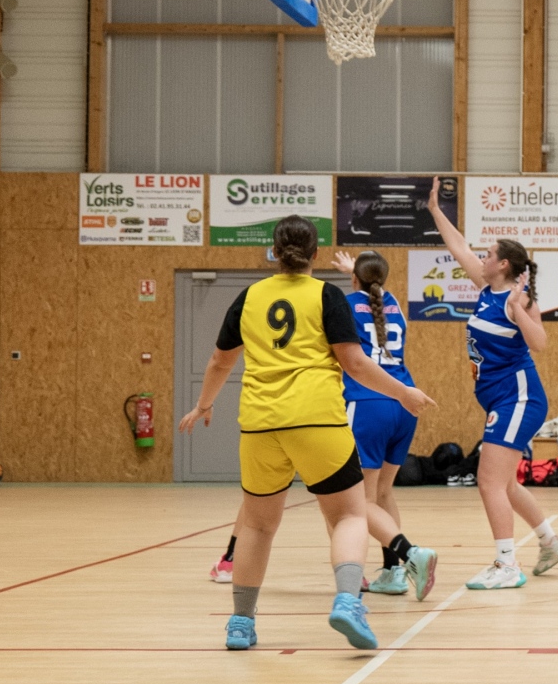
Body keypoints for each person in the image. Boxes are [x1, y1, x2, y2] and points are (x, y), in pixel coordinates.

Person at [179, 216, 433, 651]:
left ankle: (240, 623)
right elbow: (354, 363)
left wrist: (204, 404)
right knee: (349, 515)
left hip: (260, 425)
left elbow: (221, 361)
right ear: (315, 254)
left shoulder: (249, 297)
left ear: (275, 253)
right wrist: (403, 392)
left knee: (257, 525)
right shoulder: (326, 295)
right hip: (318, 421)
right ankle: (348, 602)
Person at [422, 179, 558, 589]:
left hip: (518, 398)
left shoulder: (517, 299)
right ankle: (551, 542)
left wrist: (518, 311)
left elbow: (539, 342)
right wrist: (435, 210)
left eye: (488, 254)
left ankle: (507, 566)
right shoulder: (487, 288)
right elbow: (458, 247)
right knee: (505, 483)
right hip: (499, 399)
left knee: (488, 481)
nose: (481, 257)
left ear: (503, 264)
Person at [340, 249, 438, 598]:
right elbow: (371, 294)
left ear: (354, 278)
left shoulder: (345, 304)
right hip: (405, 403)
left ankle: (410, 555)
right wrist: (356, 272)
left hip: (369, 404)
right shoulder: (393, 303)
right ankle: (392, 573)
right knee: (383, 493)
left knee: (360, 501)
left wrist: (353, 276)